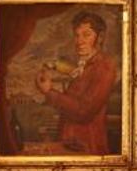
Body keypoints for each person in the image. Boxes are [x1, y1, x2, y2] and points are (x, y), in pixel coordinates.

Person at [36, 10, 118, 154]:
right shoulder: (85, 65)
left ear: (100, 37)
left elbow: (84, 111)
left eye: (86, 35)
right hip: (71, 144)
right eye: (77, 35)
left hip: (87, 146)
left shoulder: (104, 67)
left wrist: (49, 91)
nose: (79, 41)